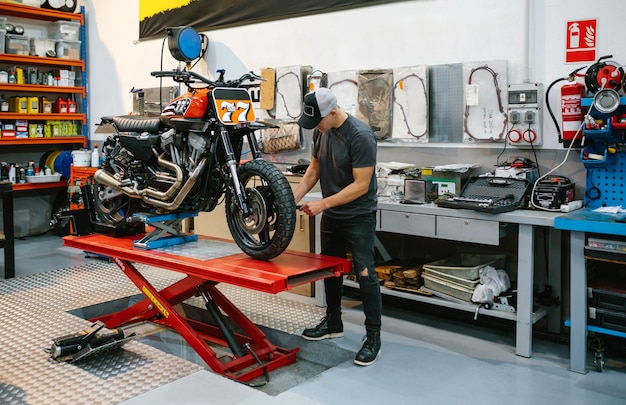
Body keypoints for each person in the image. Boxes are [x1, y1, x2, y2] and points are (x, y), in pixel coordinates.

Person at [293, 87, 382, 366]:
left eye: (318, 121)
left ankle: (373, 337)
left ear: (333, 112)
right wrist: (290, 199)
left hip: (358, 215)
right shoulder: (321, 130)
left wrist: (322, 204)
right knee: (330, 269)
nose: (315, 127)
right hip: (333, 214)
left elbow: (361, 185)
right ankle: (333, 322)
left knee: (365, 274)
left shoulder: (361, 136)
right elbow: (314, 170)